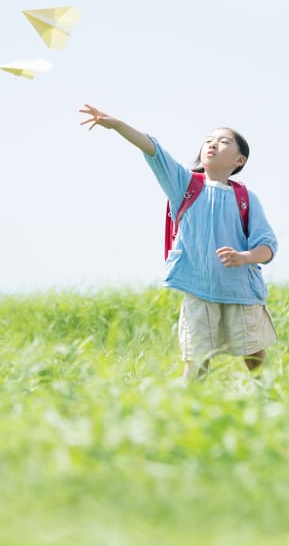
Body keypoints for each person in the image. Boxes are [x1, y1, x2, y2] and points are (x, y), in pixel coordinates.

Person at [79, 104, 277, 380]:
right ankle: (184, 412)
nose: (213, 144)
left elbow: (267, 246)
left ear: (239, 160)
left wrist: (245, 257)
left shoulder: (246, 198)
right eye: (208, 140)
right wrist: (118, 125)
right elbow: (154, 151)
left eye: (223, 142)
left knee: (255, 359)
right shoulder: (185, 186)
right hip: (197, 290)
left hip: (241, 293)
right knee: (196, 362)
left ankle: (271, 403)